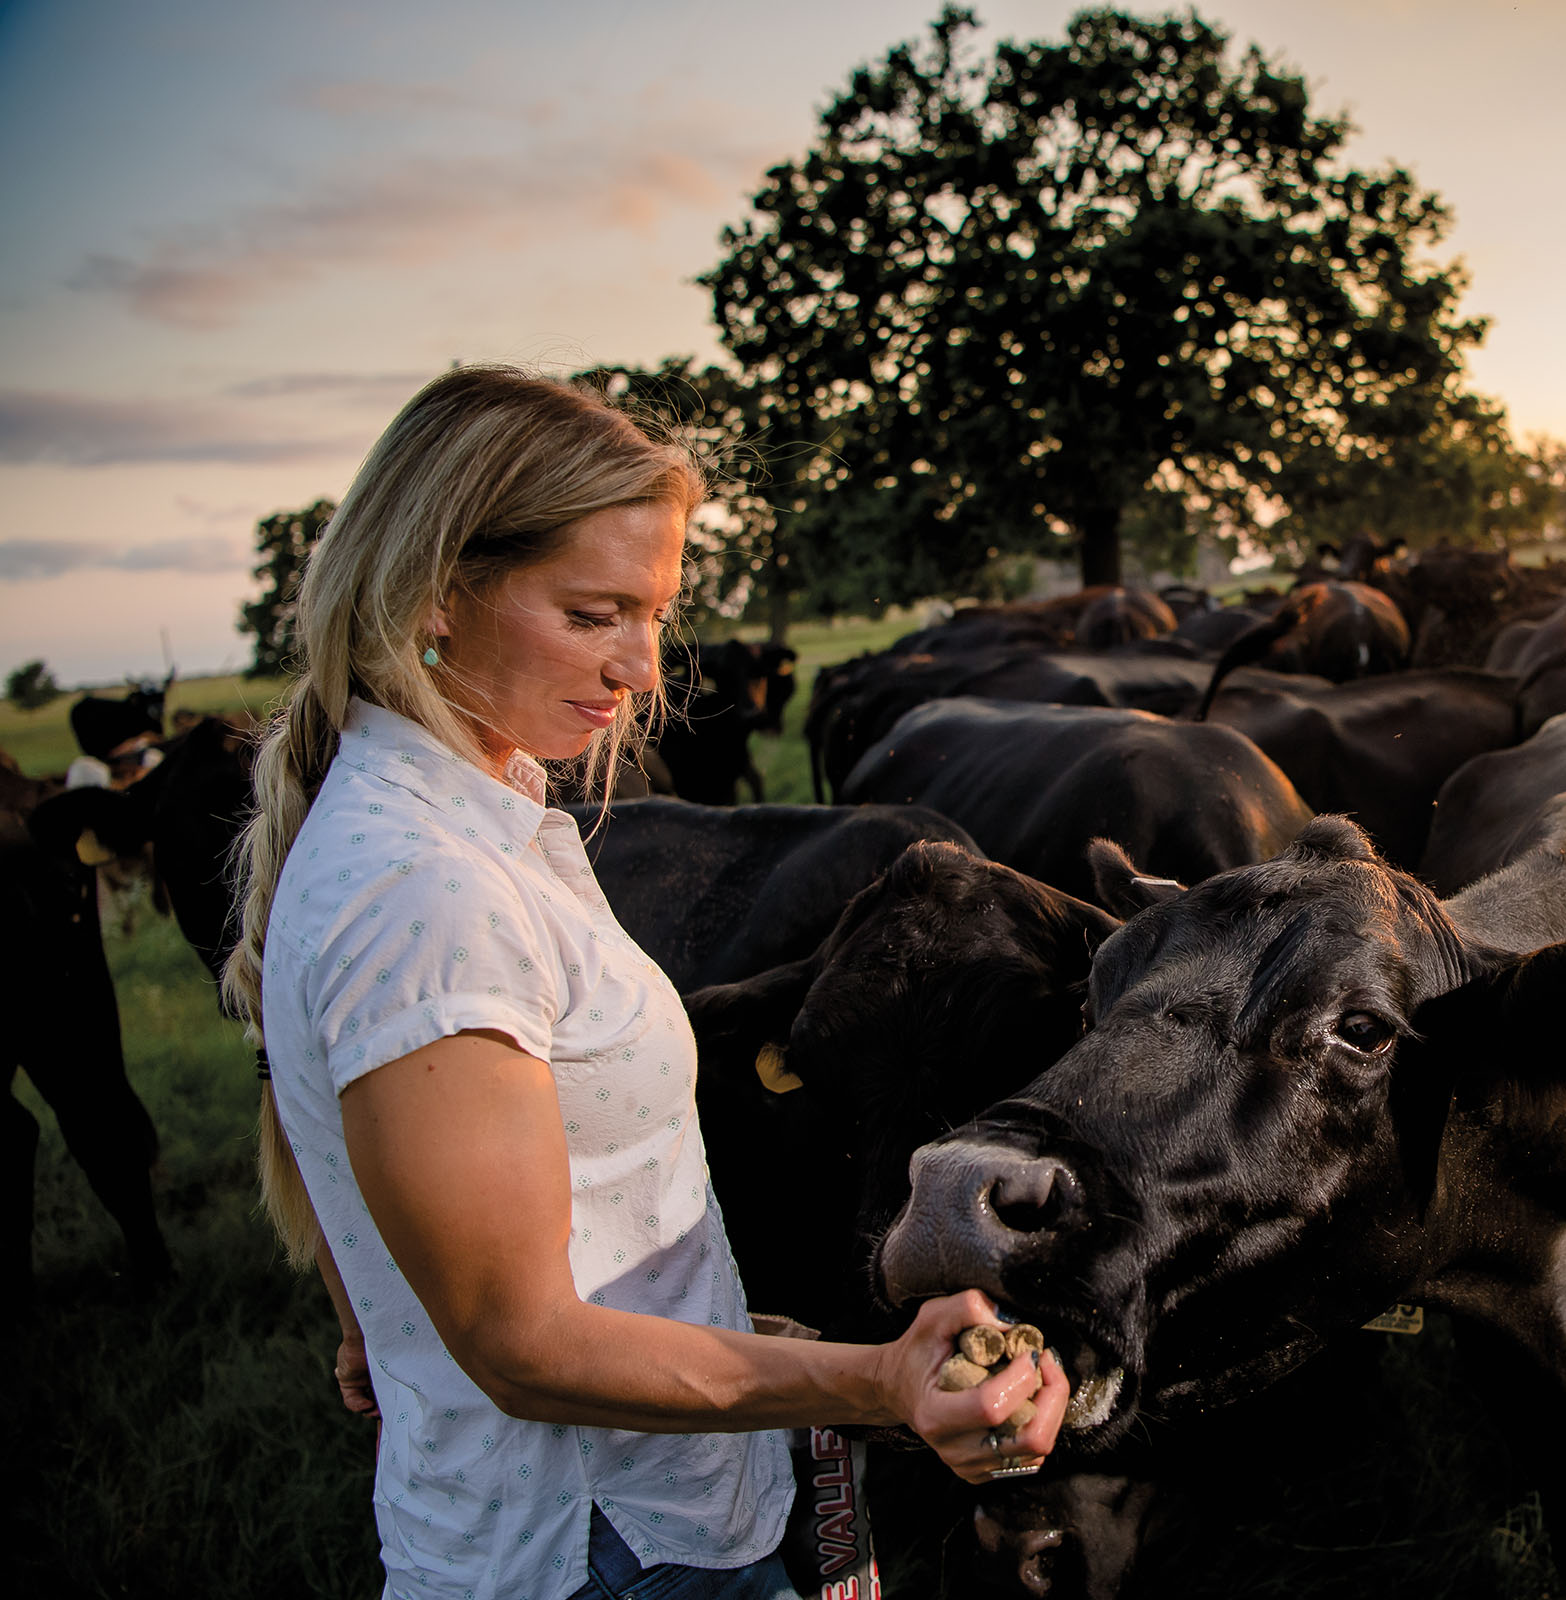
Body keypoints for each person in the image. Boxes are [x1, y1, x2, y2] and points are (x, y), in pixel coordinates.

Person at [220, 366, 1068, 1600]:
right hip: (606, 1546)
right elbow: (525, 1347)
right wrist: (874, 1380)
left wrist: (382, 1322)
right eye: (594, 612)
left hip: (627, 1511)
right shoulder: (428, 892)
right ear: (436, 591)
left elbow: (411, 1221)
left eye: (654, 612)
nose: (640, 666)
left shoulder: (463, 823)